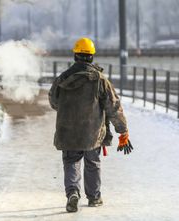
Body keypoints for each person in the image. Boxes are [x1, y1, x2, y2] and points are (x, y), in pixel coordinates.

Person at [49, 37, 133, 213]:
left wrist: (67, 110)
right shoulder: (99, 79)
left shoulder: (63, 78)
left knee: (71, 161)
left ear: (75, 56)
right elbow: (113, 106)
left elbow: (53, 101)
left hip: (68, 130)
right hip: (92, 131)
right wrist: (122, 130)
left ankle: (72, 192)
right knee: (92, 162)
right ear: (92, 57)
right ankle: (94, 197)